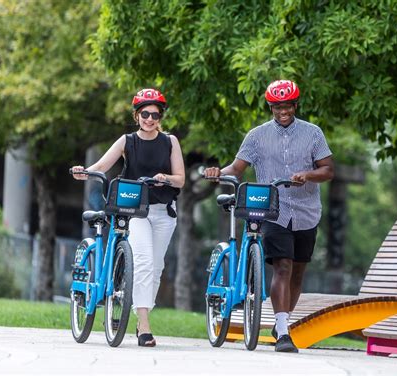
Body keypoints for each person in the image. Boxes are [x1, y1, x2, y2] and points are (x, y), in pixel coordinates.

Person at [204, 80, 334, 353]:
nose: (282, 111)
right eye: (277, 107)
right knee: (282, 266)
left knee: (298, 271)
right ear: (271, 107)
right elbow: (237, 168)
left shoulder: (313, 133)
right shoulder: (256, 136)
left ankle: (282, 322)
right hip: (272, 209)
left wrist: (307, 175)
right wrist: (218, 173)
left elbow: (327, 170)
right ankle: (283, 331)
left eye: (287, 106)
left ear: (295, 105)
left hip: (307, 212)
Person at [72, 88, 185, 347]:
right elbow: (101, 166)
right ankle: (145, 327)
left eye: (155, 115)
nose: (150, 119)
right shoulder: (127, 141)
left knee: (156, 268)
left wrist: (164, 178)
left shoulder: (171, 142)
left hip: (163, 211)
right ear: (136, 115)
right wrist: (84, 172)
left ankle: (139, 315)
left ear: (161, 117)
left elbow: (180, 179)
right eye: (145, 113)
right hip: (134, 210)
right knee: (144, 261)